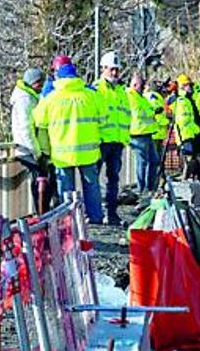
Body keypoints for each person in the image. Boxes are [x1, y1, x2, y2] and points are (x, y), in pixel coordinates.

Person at [33, 61, 104, 223]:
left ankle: (69, 222)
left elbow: (38, 120)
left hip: (62, 154)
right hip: (89, 152)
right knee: (92, 187)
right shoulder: (90, 95)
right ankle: (96, 219)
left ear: (58, 76)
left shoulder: (52, 97)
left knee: (66, 190)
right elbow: (104, 116)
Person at [93, 51, 131, 224]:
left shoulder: (122, 91)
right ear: (103, 69)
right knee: (94, 179)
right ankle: (95, 213)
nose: (115, 73)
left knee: (114, 179)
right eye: (112, 69)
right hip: (101, 141)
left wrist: (125, 138)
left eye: (117, 70)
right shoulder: (96, 89)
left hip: (117, 142)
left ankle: (112, 213)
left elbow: (126, 115)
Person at [11, 66, 53, 211]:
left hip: (31, 148)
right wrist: (37, 152)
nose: (41, 88)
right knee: (39, 183)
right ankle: (41, 213)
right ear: (32, 82)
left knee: (42, 182)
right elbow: (26, 129)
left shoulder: (30, 97)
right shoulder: (25, 99)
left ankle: (42, 212)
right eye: (39, 84)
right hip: (28, 150)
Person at [127, 72, 167, 195]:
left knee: (154, 160)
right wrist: (153, 112)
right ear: (135, 84)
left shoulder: (141, 97)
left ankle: (150, 187)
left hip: (147, 133)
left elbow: (148, 109)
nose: (144, 87)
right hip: (138, 133)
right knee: (142, 162)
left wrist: (153, 111)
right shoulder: (130, 96)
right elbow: (139, 113)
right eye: (141, 84)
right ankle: (142, 189)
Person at [172, 75, 200, 182]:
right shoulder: (182, 99)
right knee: (193, 160)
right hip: (189, 135)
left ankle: (199, 179)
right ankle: (192, 179)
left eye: (187, 85)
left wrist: (199, 120)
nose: (187, 87)